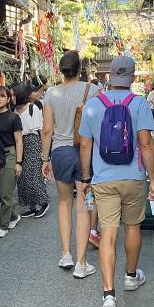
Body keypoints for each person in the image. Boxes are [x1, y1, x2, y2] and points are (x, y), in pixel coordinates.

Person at [78, 56, 154, 307]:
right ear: (133, 78)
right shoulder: (138, 104)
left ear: (109, 76)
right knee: (133, 226)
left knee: (108, 231)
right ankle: (130, 276)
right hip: (133, 177)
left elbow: (84, 144)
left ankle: (108, 296)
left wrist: (85, 178)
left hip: (103, 179)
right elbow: (146, 144)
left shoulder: (92, 106)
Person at [41, 50, 99, 278]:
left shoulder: (50, 93)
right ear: (80, 68)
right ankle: (82, 263)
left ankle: (66, 254)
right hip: (85, 150)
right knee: (84, 206)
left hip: (60, 152)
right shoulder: (93, 90)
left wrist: (45, 159)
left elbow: (47, 130)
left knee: (64, 203)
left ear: (61, 69)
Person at [12, 83, 49, 219]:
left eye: (14, 94)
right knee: (22, 177)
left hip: (32, 141)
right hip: (18, 142)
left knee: (33, 175)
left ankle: (43, 202)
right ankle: (32, 206)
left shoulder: (33, 108)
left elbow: (41, 130)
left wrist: (44, 151)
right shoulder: (13, 110)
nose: (12, 97)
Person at [0, 85, 23, 237]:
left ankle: (3, 226)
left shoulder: (14, 117)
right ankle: (13, 216)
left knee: (5, 193)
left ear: (8, 99)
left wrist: (19, 162)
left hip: (9, 154)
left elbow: (19, 141)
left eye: (2, 96)